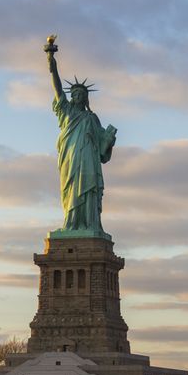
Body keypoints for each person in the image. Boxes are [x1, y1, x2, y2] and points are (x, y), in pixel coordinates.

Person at [45, 38, 117, 235]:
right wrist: (51, 61)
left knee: (88, 189)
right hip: (70, 157)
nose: (76, 96)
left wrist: (109, 139)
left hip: (88, 160)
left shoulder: (92, 118)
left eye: (80, 95)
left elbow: (103, 151)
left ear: (85, 98)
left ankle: (89, 224)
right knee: (70, 190)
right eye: (74, 94)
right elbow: (58, 88)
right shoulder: (66, 112)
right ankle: (71, 223)